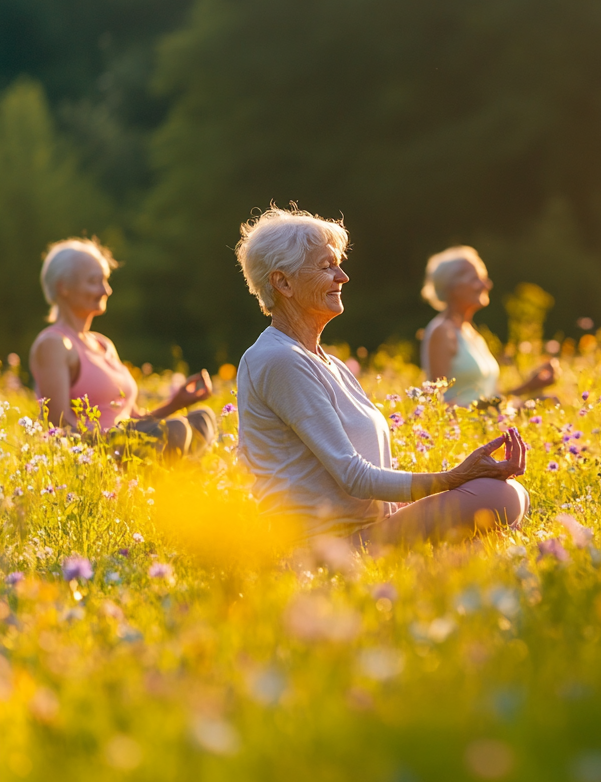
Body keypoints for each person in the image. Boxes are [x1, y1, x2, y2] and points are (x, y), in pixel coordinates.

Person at [235, 208, 529, 545]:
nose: (343, 277)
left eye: (338, 265)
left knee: (509, 493)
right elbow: (353, 476)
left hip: (370, 529)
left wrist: (444, 489)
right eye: (326, 266)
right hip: (328, 546)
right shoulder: (278, 359)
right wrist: (453, 478)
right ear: (283, 283)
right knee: (497, 498)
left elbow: (367, 480)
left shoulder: (330, 364)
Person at [29, 238, 215, 455]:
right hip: (97, 453)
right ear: (64, 287)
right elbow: (58, 424)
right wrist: (101, 450)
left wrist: (176, 403)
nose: (106, 290)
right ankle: (182, 463)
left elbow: (133, 419)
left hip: (125, 442)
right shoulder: (54, 343)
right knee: (176, 430)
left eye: (105, 281)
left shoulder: (103, 344)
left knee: (202, 419)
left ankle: (180, 465)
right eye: (94, 281)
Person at [420, 246, 555, 406]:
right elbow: (436, 403)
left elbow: (491, 400)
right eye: (475, 279)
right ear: (453, 287)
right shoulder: (442, 332)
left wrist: (530, 387)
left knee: (550, 402)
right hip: (464, 423)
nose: (487, 285)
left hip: (483, 422)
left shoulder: (471, 334)